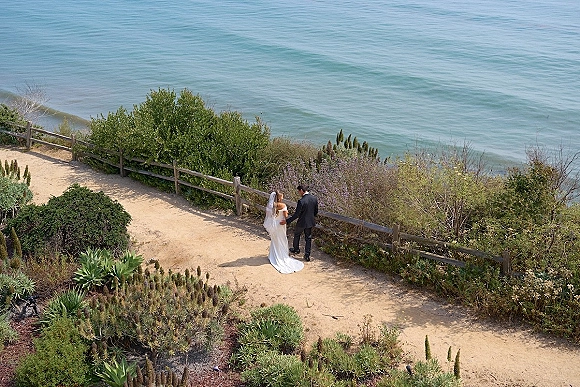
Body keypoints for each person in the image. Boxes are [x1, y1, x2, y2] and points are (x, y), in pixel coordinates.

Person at [263, 191, 304, 273]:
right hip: (281, 224)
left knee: (275, 240)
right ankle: (281, 256)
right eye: (282, 197)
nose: (283, 198)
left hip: (275, 225)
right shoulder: (283, 205)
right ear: (279, 198)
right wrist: (287, 213)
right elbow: (285, 216)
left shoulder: (272, 206)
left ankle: (273, 255)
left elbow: (270, 215)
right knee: (282, 239)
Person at [281, 185, 318, 261]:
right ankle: (307, 255)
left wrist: (288, 221)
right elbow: (315, 211)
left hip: (302, 222)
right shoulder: (314, 199)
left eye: (298, 191)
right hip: (310, 222)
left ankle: (296, 249)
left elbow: (296, 214)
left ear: (301, 190)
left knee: (297, 235)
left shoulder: (301, 201)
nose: (298, 193)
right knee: (308, 238)